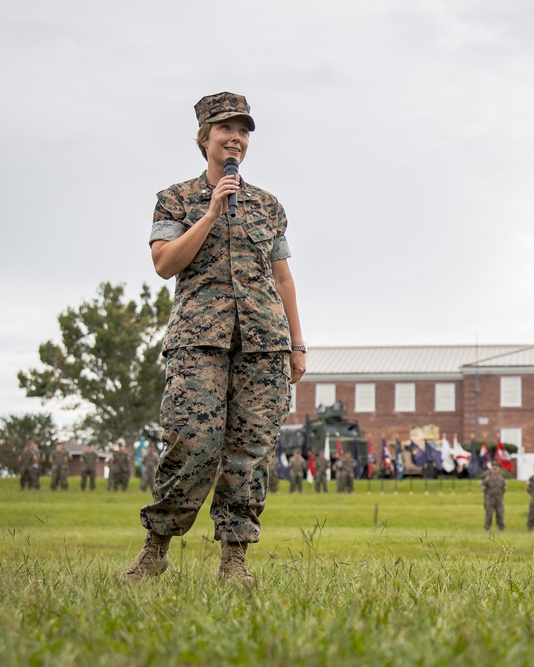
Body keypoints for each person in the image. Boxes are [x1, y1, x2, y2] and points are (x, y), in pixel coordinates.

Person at [121, 92, 306, 585]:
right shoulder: (176, 198)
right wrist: (210, 213)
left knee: (251, 452)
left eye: (243, 131)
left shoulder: (269, 206)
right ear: (205, 138)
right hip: (199, 341)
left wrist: (297, 344)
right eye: (226, 129)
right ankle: (156, 548)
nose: (236, 138)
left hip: (264, 343)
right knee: (193, 442)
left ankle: (234, 560)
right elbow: (164, 264)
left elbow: (282, 278)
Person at [481, 466, 506, 531]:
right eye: (493, 469)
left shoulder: (502, 479)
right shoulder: (487, 479)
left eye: (496, 469)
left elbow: (504, 489)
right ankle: (487, 528)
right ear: (491, 470)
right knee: (489, 514)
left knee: (500, 514)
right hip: (489, 499)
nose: (495, 471)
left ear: (498, 470)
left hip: (499, 499)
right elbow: (484, 488)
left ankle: (501, 528)